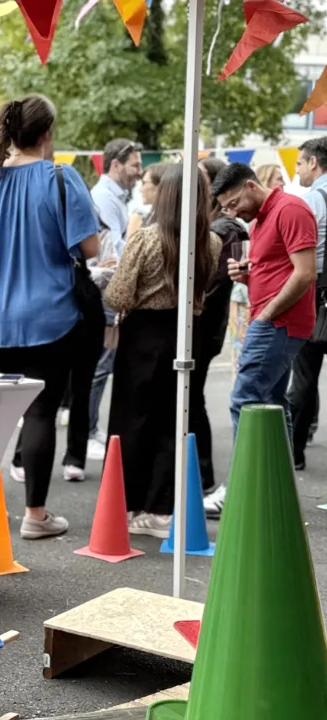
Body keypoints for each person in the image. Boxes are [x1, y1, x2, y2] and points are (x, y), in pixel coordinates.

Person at [0, 94, 100, 540]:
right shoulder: (61, 177)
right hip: (49, 316)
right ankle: (35, 515)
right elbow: (91, 248)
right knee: (40, 414)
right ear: (46, 134)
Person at [104, 165, 221, 537]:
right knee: (174, 421)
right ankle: (161, 508)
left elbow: (119, 295)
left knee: (133, 419)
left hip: (144, 336)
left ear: (166, 196)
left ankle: (130, 505)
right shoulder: (211, 242)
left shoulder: (145, 238)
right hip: (188, 331)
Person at [205, 163, 318, 517]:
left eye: (234, 202)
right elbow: (278, 269)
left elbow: (305, 273)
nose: (232, 212)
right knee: (270, 402)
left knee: (245, 399)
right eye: (225, 207)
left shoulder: (291, 209)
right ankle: (275, 486)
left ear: (252, 186)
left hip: (277, 322)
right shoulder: (262, 219)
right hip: (272, 319)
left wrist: (268, 313)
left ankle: (244, 487)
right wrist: (247, 275)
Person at [87, 138, 144, 460]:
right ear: (116, 164)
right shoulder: (105, 198)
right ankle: (90, 431)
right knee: (100, 366)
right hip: (105, 290)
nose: (139, 171)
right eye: (135, 164)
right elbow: (114, 251)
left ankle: (91, 429)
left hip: (111, 288)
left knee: (103, 365)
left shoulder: (118, 197)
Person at [193, 156, 245, 492]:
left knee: (192, 399)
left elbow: (209, 284)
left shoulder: (224, 231)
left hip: (203, 328)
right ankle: (200, 477)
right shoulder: (220, 228)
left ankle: (203, 478)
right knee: (192, 398)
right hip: (207, 327)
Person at [286, 137, 327, 470]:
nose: (297, 169)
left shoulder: (314, 199)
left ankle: (295, 452)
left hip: (317, 294)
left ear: (314, 162)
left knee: (304, 376)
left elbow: (299, 252)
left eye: (300, 162)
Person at [126, 162, 167, 238]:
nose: (140, 189)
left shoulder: (139, 217)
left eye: (144, 183)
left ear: (159, 186)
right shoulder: (139, 217)